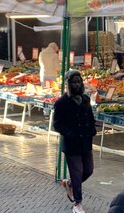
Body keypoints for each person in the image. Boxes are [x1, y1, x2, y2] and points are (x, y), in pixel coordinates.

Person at [53, 70, 96, 213]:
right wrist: (70, 134)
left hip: (85, 142)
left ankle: (69, 183)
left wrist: (92, 129)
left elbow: (90, 117)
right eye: (74, 83)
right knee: (77, 172)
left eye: (79, 82)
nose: (77, 85)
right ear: (68, 84)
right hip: (72, 144)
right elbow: (57, 124)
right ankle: (78, 203)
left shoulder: (85, 99)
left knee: (88, 170)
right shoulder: (61, 103)